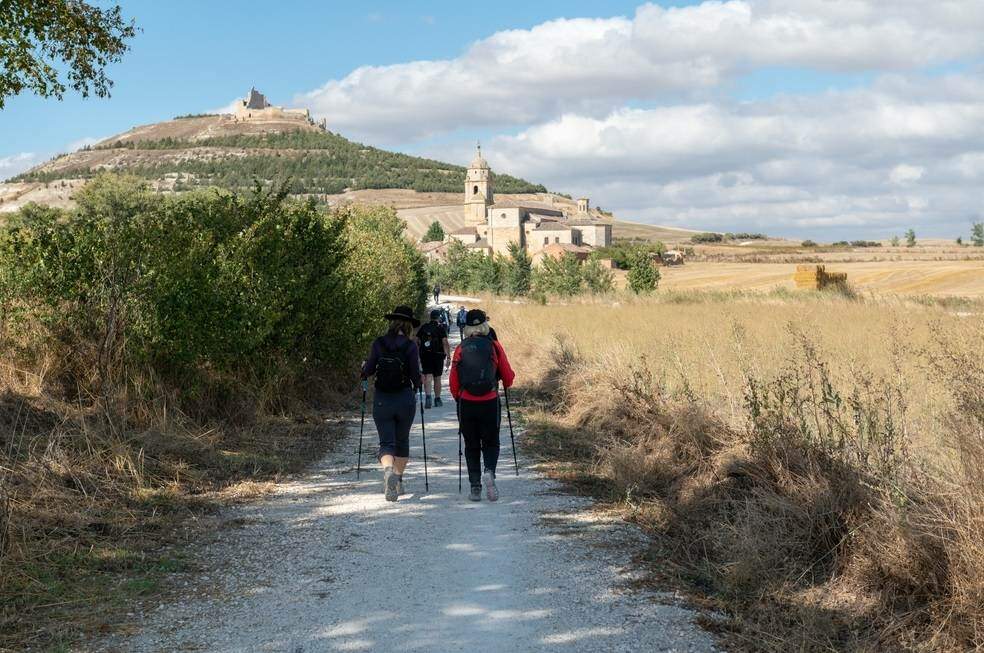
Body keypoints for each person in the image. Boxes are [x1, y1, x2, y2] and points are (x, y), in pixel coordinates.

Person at [450, 309, 515, 502]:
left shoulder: (461, 348)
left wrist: (458, 398)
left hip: (467, 403)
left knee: (471, 445)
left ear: (467, 327)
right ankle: (489, 472)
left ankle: (475, 487)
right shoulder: (494, 345)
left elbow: (454, 381)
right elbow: (509, 378)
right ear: (485, 325)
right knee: (491, 441)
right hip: (489, 401)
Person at [361, 305, 423, 501]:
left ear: (392, 322)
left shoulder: (379, 343)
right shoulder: (411, 346)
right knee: (402, 441)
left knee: (386, 442)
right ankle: (398, 479)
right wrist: (419, 382)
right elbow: (416, 377)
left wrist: (364, 367)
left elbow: (368, 371)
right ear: (409, 325)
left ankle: (388, 470)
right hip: (404, 398)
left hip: (382, 399)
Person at [416, 309, 451, 408]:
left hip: (425, 355)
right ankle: (437, 399)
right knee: (437, 377)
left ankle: (428, 398)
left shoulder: (424, 327)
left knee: (428, 376)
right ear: (439, 318)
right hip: (438, 356)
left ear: (430, 317)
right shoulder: (440, 328)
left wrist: (419, 352)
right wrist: (448, 357)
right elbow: (445, 343)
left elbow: (417, 340)